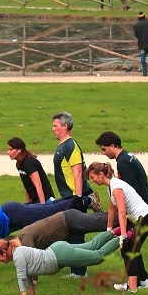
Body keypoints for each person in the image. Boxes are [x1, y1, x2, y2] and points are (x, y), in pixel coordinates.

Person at [95, 131, 148, 289]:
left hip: (141, 211)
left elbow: (131, 188)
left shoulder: (123, 162)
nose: (104, 153)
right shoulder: (127, 157)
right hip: (144, 208)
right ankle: (141, 280)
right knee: (133, 246)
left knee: (129, 246)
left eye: (104, 149)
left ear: (113, 146)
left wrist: (129, 213)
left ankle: (137, 283)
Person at [87, 162, 148, 294]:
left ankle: (133, 287)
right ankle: (143, 281)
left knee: (128, 249)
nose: (92, 181)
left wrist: (123, 235)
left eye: (92, 177)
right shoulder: (111, 185)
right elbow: (112, 208)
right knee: (133, 249)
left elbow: (122, 213)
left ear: (101, 175)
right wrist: (109, 229)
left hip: (145, 218)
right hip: (141, 219)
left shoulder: (116, 187)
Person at [0, 231, 120, 295]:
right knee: (92, 246)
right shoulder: (18, 254)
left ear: (3, 252)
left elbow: (22, 278)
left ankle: (122, 238)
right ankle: (116, 231)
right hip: (57, 250)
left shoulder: (18, 255)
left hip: (59, 256)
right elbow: (28, 278)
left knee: (97, 257)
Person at [51, 111, 95, 277]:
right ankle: (77, 269)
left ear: (65, 126)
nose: (53, 129)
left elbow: (78, 173)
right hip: (67, 198)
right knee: (71, 233)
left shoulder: (70, 145)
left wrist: (77, 197)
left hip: (74, 198)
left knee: (75, 233)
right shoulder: (62, 146)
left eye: (55, 126)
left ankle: (80, 271)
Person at [7, 137, 53, 204]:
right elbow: (26, 185)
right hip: (35, 200)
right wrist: (28, 202)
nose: (8, 152)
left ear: (19, 150)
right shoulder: (19, 164)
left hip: (45, 200)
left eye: (11, 149)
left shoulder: (29, 163)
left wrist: (43, 205)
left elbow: (38, 185)